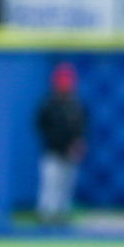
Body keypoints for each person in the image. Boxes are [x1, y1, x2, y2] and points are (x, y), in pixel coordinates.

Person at [35, 61, 87, 224]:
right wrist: (56, 143)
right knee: (50, 185)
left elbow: (82, 128)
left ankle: (62, 216)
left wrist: (78, 144)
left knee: (66, 187)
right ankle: (46, 216)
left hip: (70, 154)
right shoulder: (49, 104)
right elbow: (41, 125)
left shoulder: (76, 105)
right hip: (52, 152)